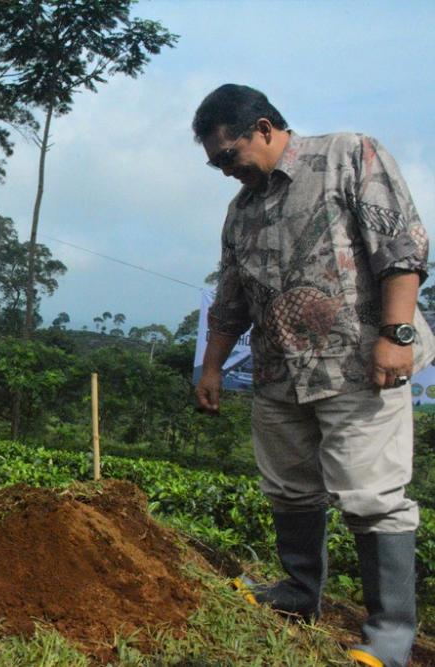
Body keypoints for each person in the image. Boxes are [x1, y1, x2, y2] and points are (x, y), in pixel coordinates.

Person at [193, 84, 432, 667]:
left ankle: (390, 635)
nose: (224, 171)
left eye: (228, 156)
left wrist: (397, 334)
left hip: (358, 365)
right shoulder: (241, 210)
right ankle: (299, 594)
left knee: (371, 494)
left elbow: (401, 247)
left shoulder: (347, 156)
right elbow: (231, 297)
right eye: (214, 164)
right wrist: (213, 365)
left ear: (264, 128)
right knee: (289, 488)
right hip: (278, 373)